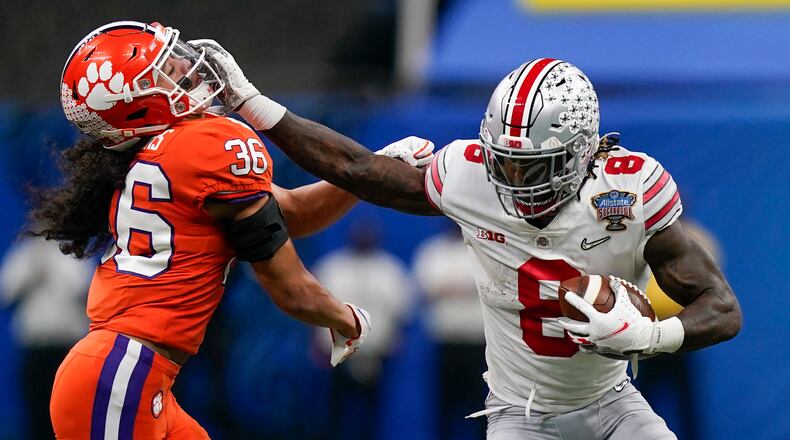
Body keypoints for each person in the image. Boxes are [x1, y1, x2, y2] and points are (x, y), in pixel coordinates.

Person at [198, 44, 743, 439]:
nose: (512, 180)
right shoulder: (471, 176)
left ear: (580, 152)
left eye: (534, 167)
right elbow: (357, 168)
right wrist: (252, 102)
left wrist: (649, 336)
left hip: (615, 403)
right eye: (504, 161)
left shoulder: (631, 188)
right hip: (519, 416)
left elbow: (721, 308)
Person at [35, 21, 432, 439]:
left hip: (133, 375)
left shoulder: (168, 154)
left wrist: (372, 169)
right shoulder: (205, 144)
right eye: (167, 70)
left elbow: (292, 213)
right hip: (122, 374)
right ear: (136, 103)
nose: (188, 70)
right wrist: (345, 317)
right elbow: (289, 288)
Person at [313, 219, 414, 439]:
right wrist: (316, 344)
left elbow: (402, 312)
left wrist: (398, 341)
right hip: (337, 352)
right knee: (336, 410)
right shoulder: (332, 267)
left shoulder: (390, 270)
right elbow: (315, 311)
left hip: (378, 351)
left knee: (374, 410)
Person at [0, 235, 93, 439]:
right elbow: (6, 292)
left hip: (66, 351)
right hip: (34, 350)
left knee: (66, 414)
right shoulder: (25, 254)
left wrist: (53, 262)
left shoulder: (72, 254)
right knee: (35, 414)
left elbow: (79, 288)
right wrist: (34, 263)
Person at [412, 222, 487, 440]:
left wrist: (449, 288)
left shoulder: (483, 251)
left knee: (480, 404)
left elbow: (493, 286)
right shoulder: (433, 252)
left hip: (478, 345)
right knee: (444, 404)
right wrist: (467, 287)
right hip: (446, 343)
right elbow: (426, 289)